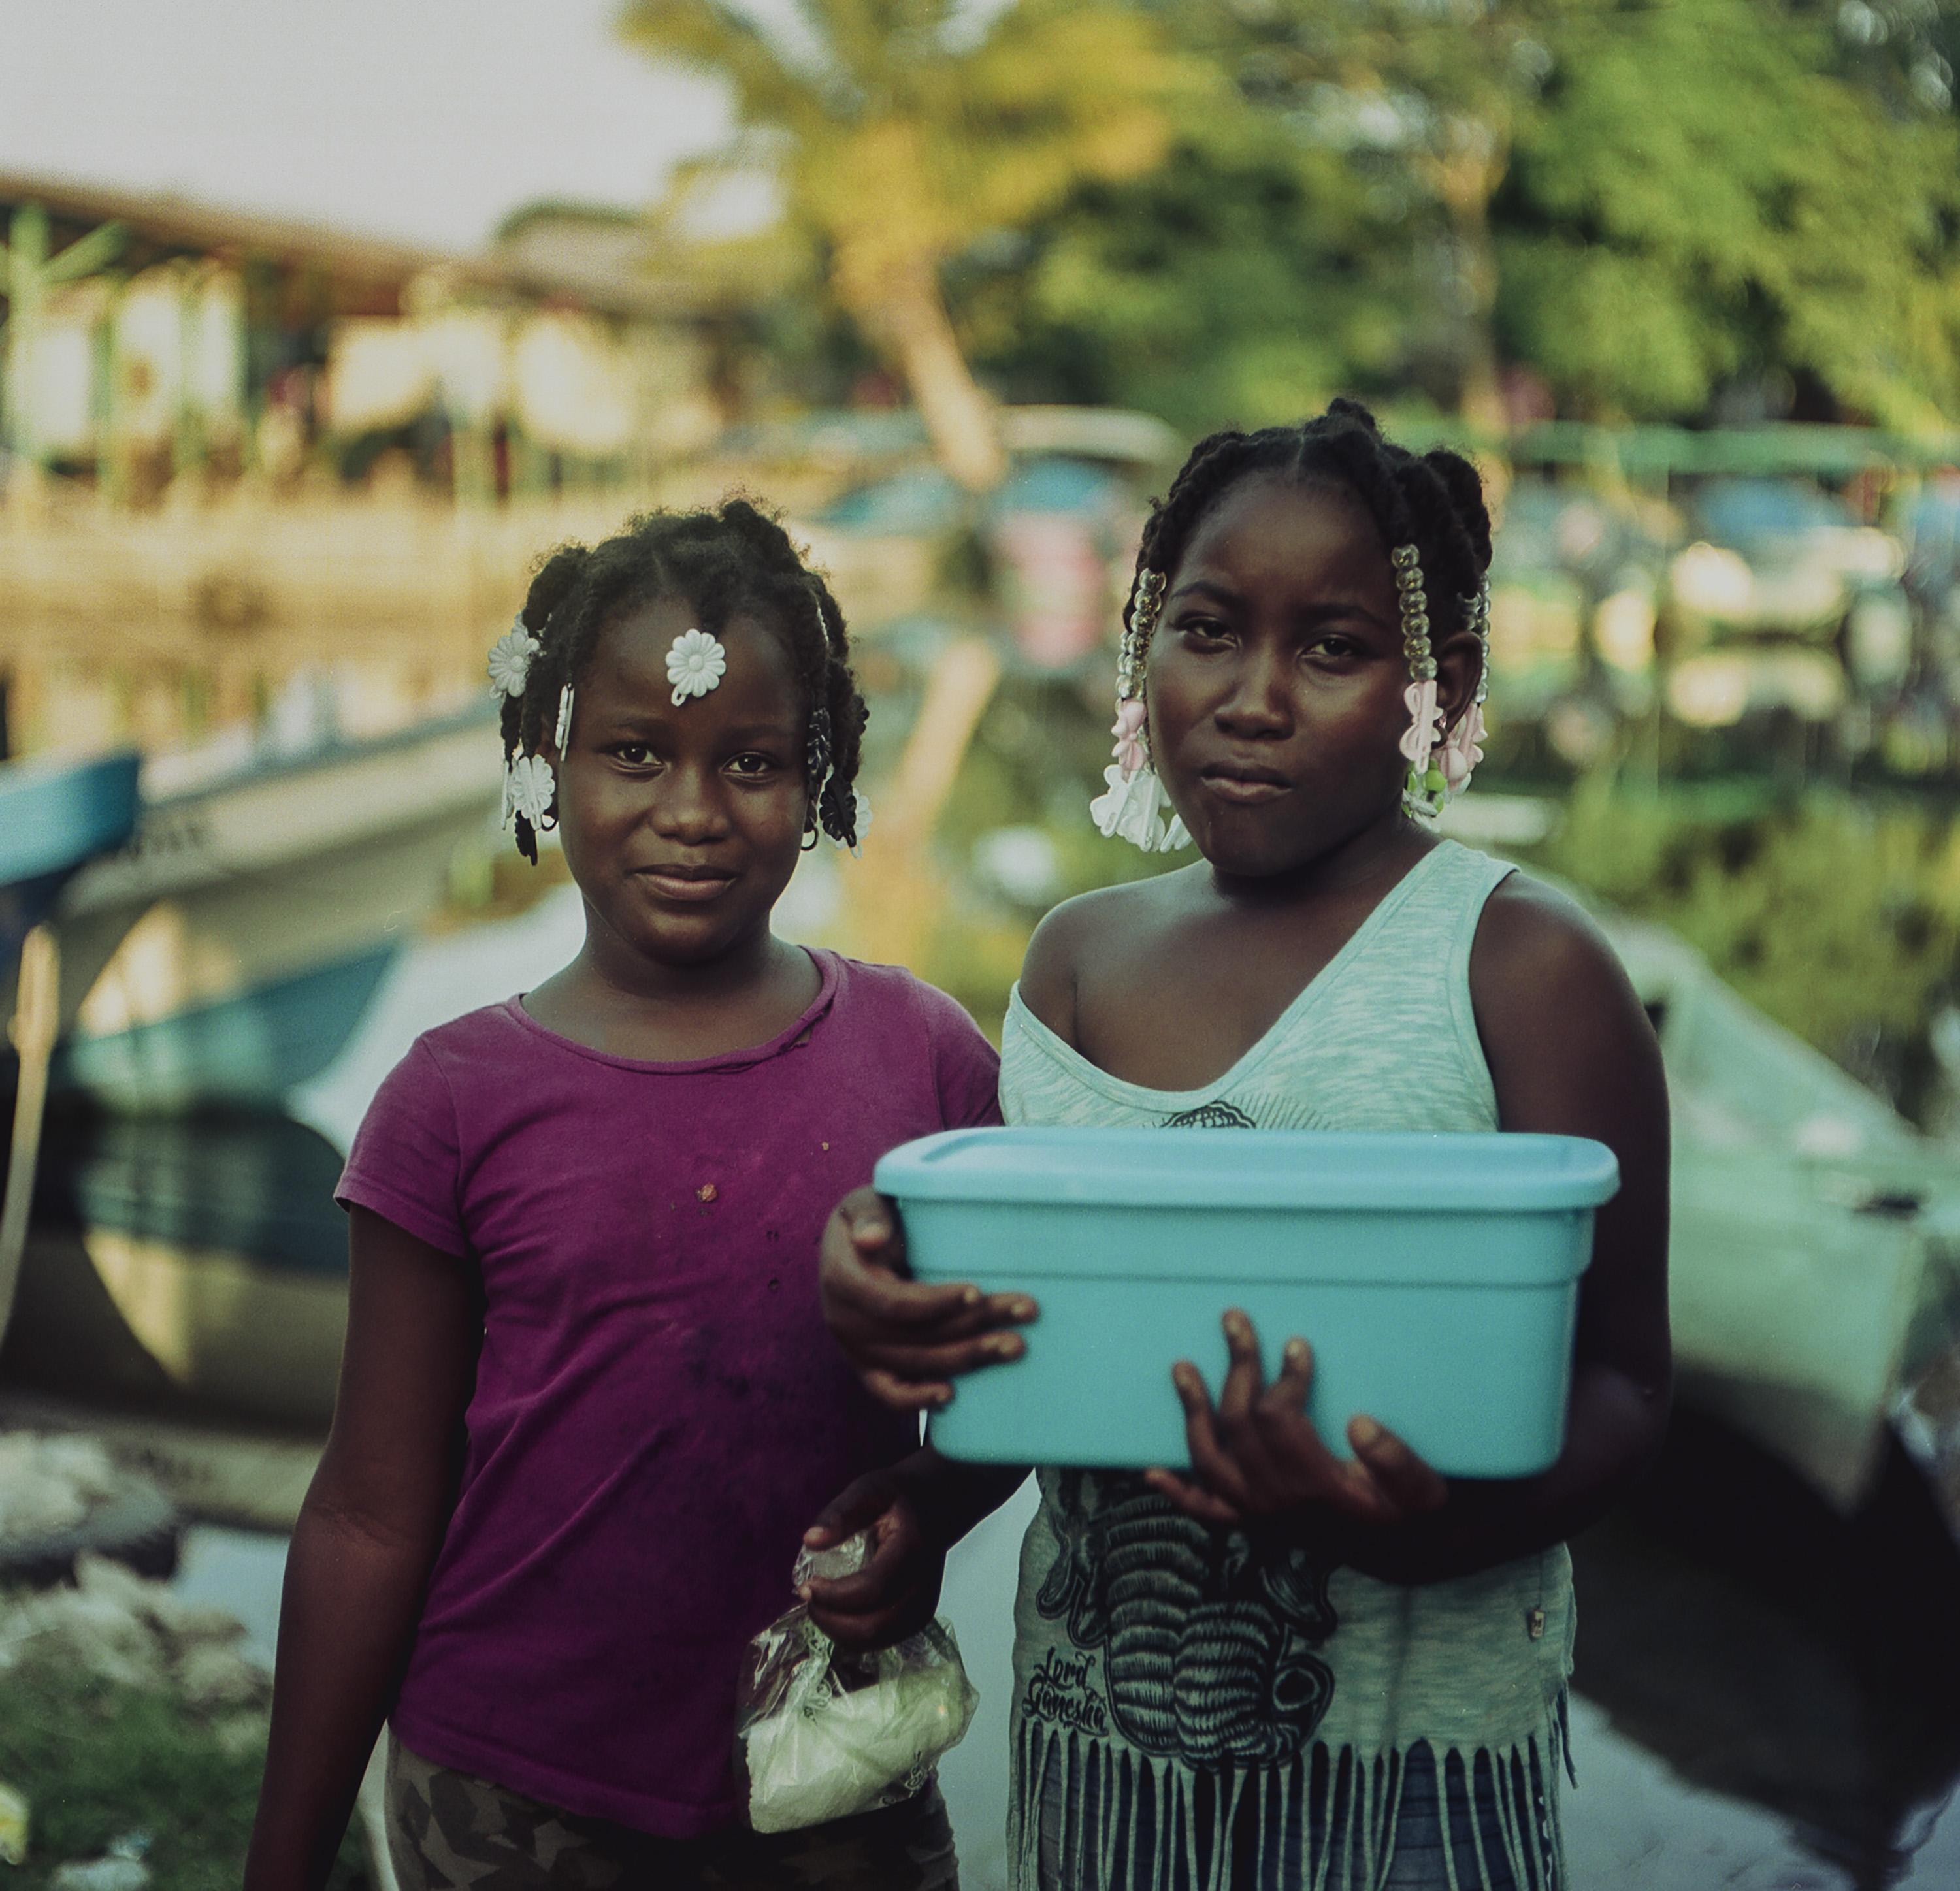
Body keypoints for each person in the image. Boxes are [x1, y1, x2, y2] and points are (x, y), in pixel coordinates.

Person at [813, 402, 1671, 1889]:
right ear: (1141, 646)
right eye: (1207, 628)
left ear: (1438, 682)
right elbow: (1059, 1340)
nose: (1252, 697)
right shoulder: (1078, 962)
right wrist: (931, 1482)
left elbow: (1627, 1381)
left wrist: (1415, 1533)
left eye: (1332, 648)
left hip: (1407, 1790)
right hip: (1105, 1765)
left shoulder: (1520, 967)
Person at [245, 502, 1002, 1891]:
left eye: (754, 761)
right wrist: (283, 1856)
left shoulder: (927, 1056)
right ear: (549, 761)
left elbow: (1035, 1359)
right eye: (635, 752)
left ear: (818, 769)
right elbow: (369, 1509)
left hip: (832, 1769)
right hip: (509, 1801)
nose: (694, 810)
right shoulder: (454, 1098)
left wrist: (936, 1499)